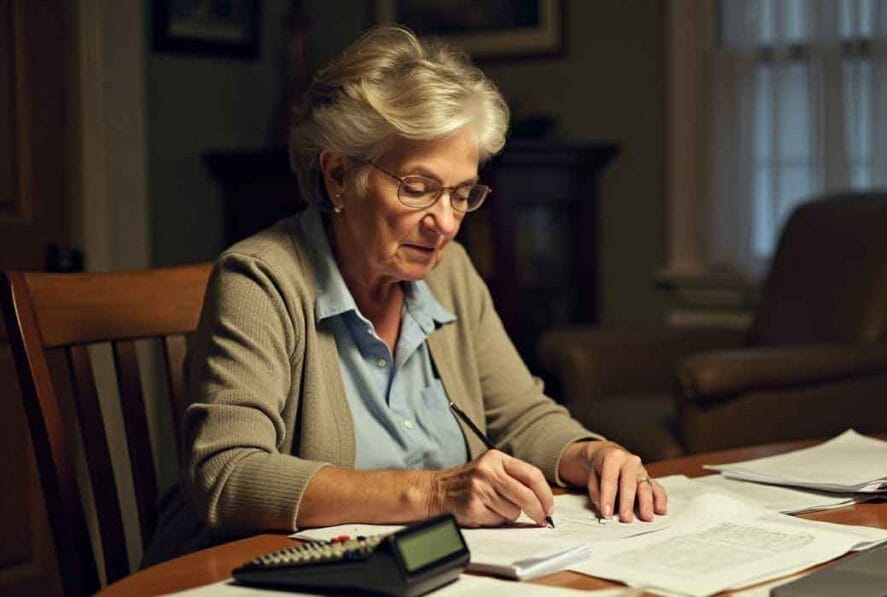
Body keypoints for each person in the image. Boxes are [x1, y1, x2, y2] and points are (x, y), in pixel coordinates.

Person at [145, 25, 667, 565]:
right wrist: (434, 494)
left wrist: (593, 453)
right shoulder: (259, 280)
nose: (445, 222)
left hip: (421, 567)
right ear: (339, 177)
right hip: (255, 577)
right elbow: (227, 474)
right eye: (417, 189)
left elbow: (520, 416)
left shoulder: (451, 273)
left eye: (462, 194)